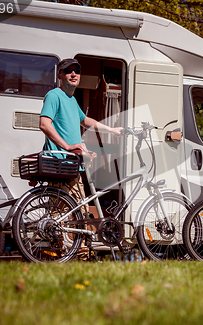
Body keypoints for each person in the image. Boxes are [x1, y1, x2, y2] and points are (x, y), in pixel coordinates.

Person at [39, 58, 123, 259]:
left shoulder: (71, 99)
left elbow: (85, 121)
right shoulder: (54, 95)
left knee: (81, 212)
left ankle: (78, 254)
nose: (74, 74)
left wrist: (111, 129)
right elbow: (44, 124)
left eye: (77, 71)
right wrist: (68, 147)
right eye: (68, 71)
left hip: (72, 165)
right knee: (65, 215)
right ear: (60, 75)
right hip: (59, 163)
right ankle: (66, 255)